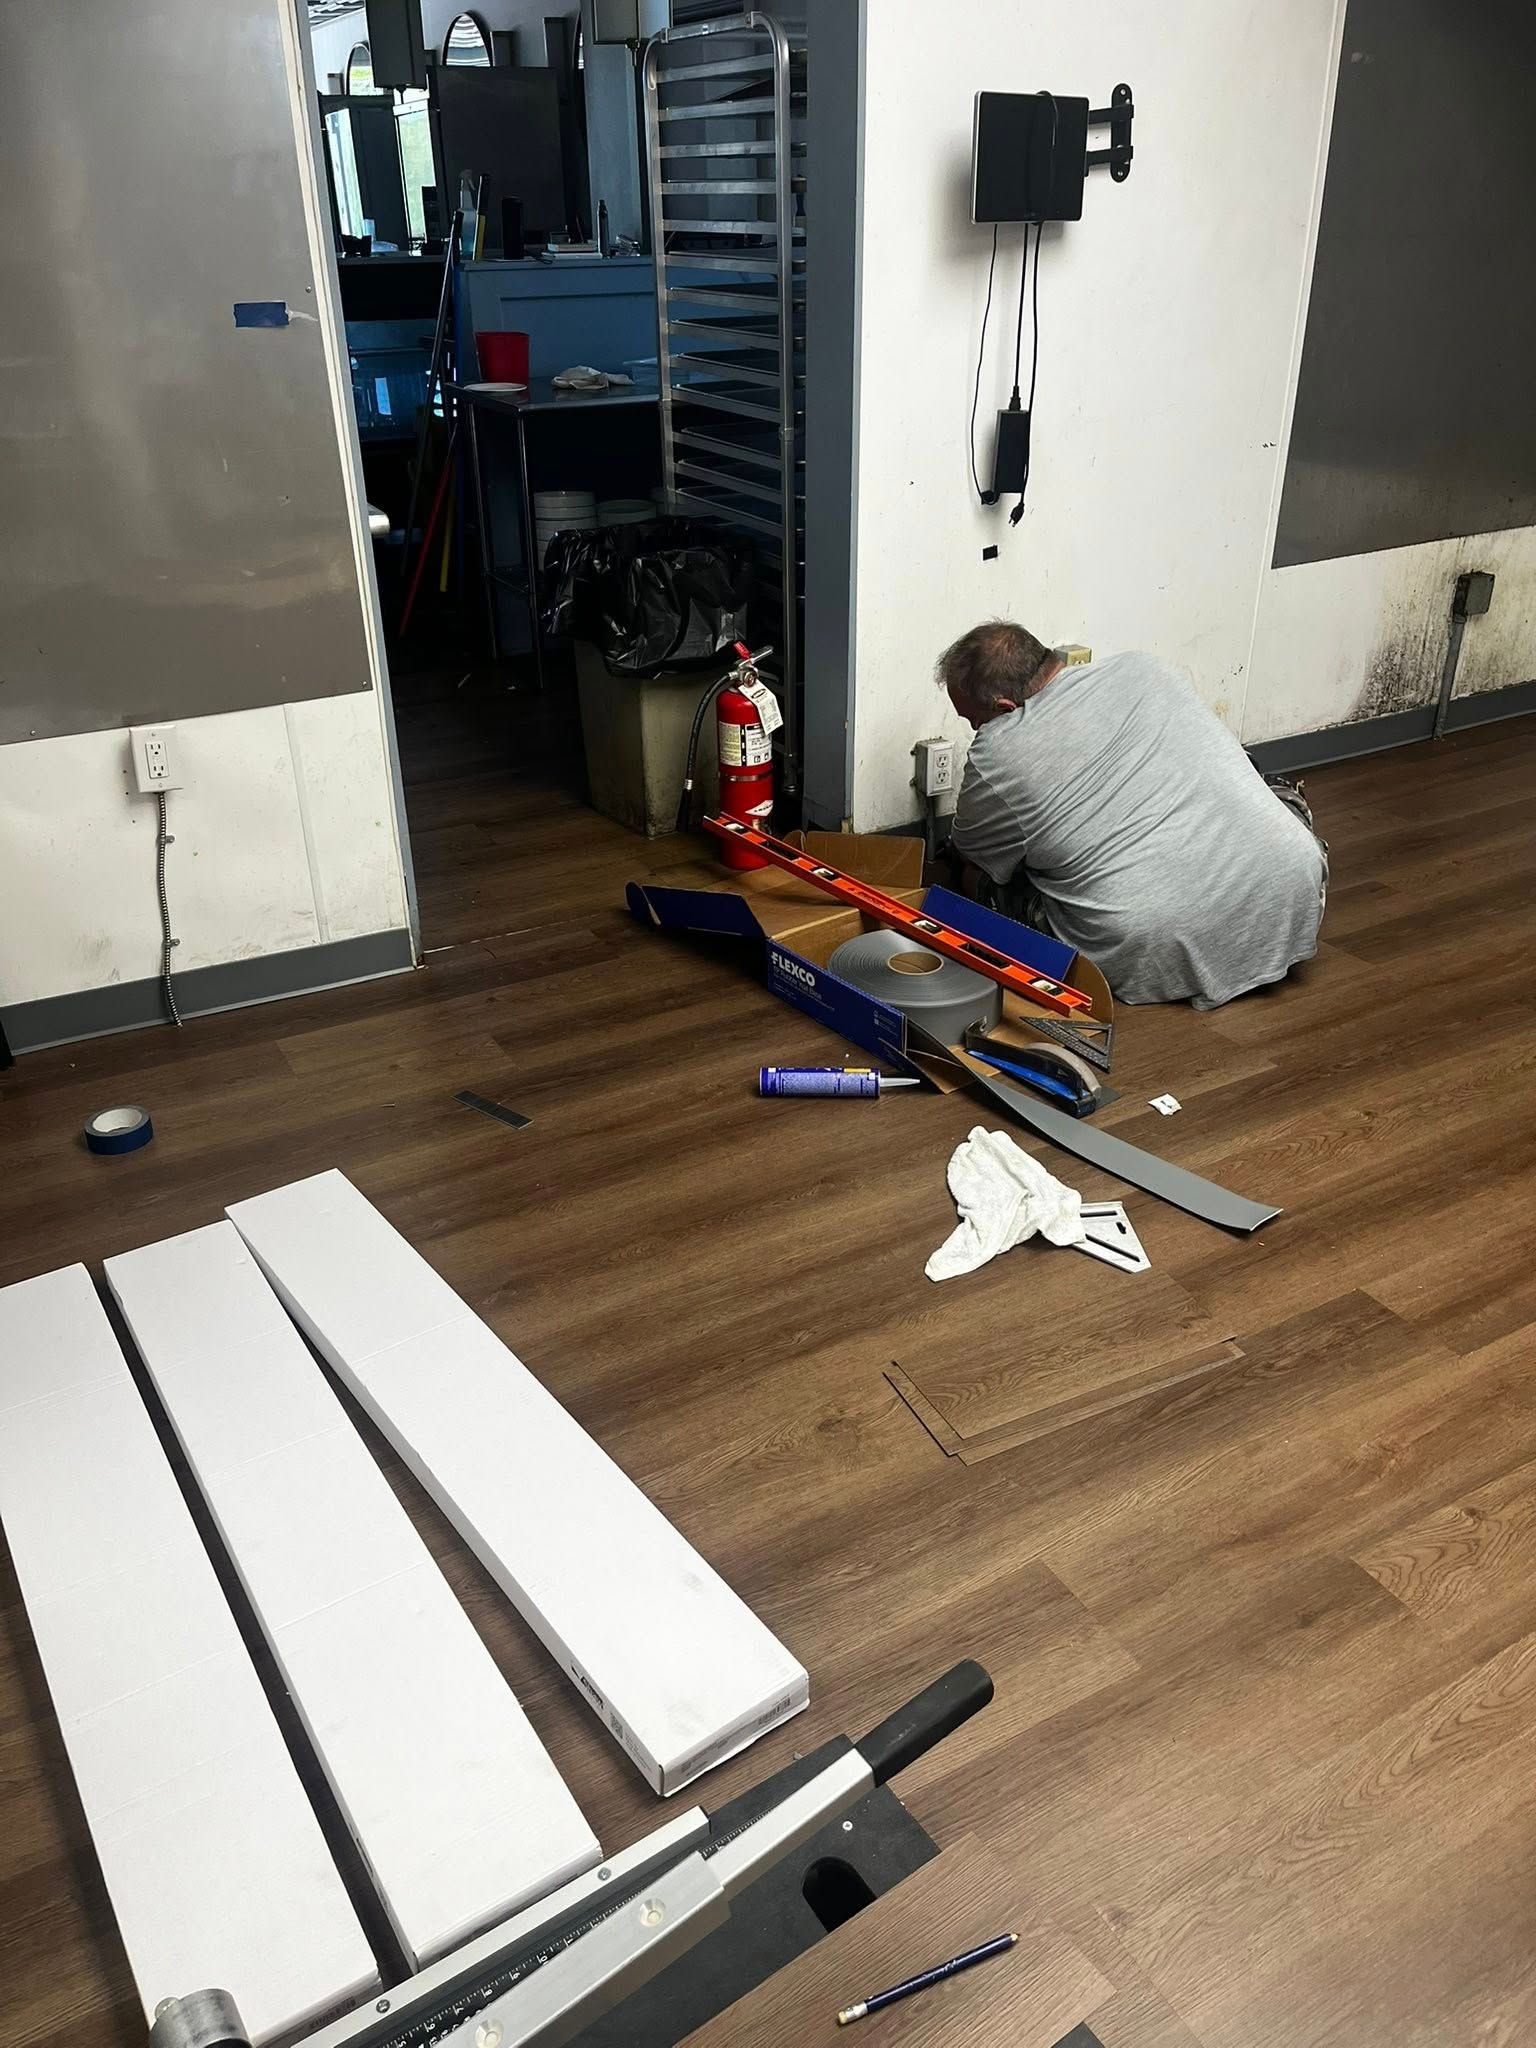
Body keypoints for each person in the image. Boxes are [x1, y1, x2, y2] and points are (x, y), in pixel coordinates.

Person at [940, 620, 1327, 1010]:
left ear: (1004, 708)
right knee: (1252, 772)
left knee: (982, 881)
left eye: (974, 720)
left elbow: (971, 854)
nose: (976, 730)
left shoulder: (996, 752)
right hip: (1292, 880)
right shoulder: (1143, 667)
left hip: (1153, 941)